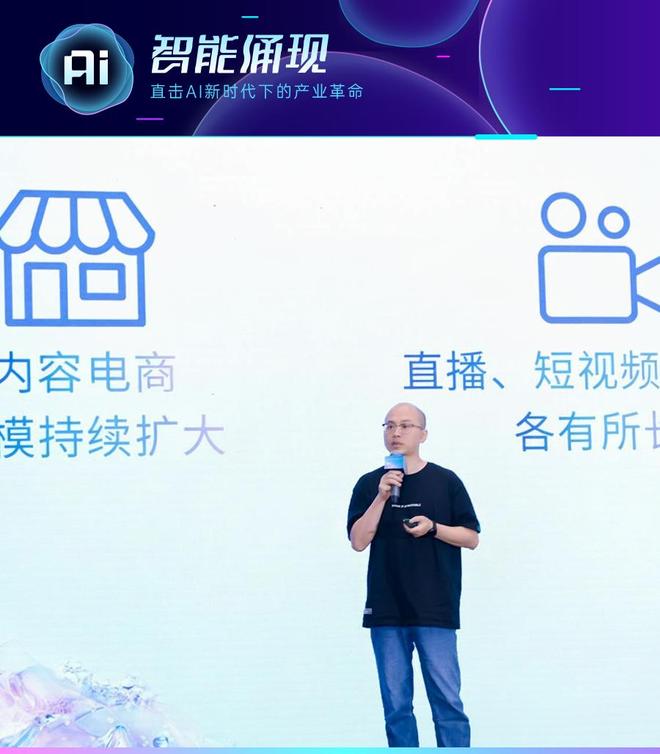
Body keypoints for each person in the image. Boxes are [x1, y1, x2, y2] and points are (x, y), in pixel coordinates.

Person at [347, 402, 480, 748]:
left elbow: (471, 537)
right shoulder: (369, 484)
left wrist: (434, 527)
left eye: (406, 425)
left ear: (423, 434)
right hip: (386, 610)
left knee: (447, 703)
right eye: (389, 425)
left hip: (434, 609)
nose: (396, 432)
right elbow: (358, 541)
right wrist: (381, 497)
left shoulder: (445, 481)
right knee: (396, 707)